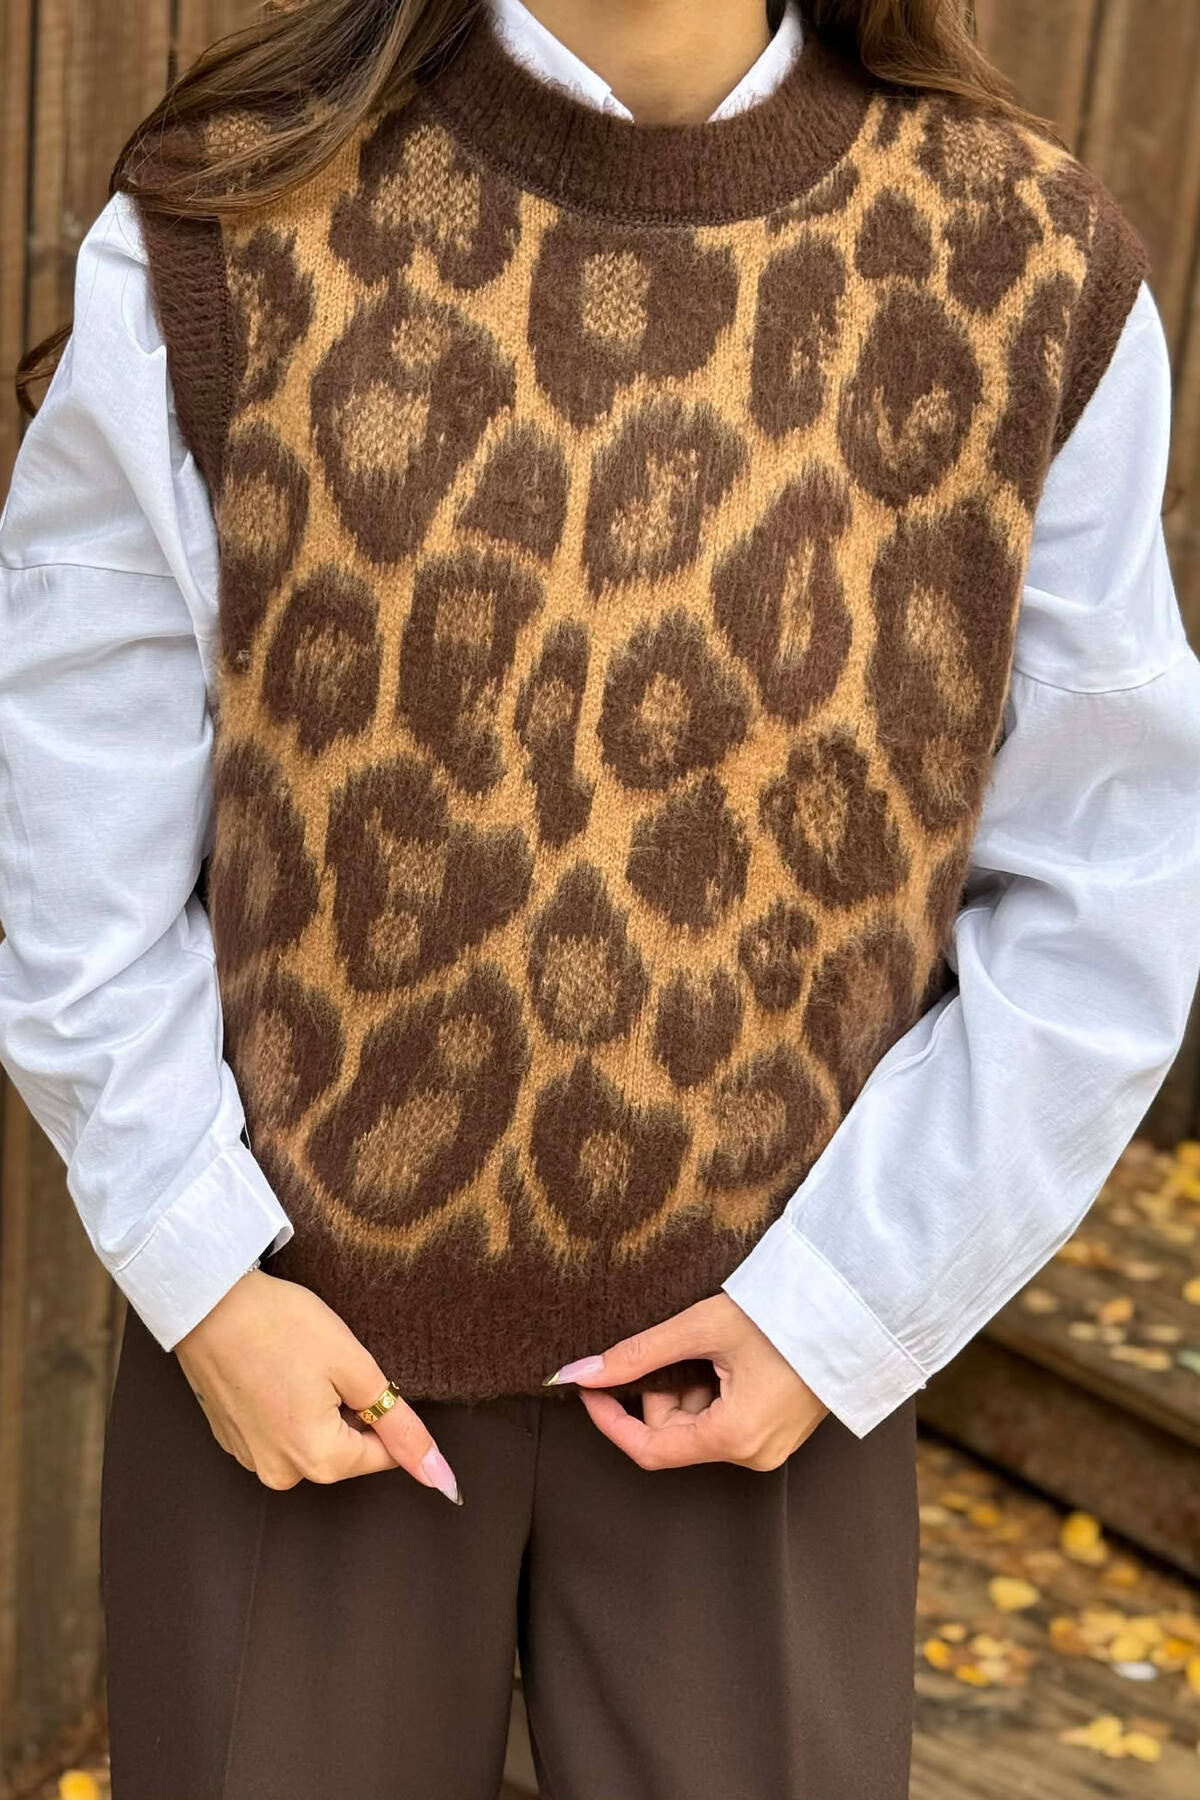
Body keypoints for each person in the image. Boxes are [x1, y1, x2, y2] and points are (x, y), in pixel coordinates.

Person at [3, 0, 1200, 1794]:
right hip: (291, 1349)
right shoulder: (239, 214)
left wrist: (843, 1309)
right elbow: (71, 818)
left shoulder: (1022, 265)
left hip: (769, 1380)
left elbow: (1107, 875)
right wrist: (201, 1269)